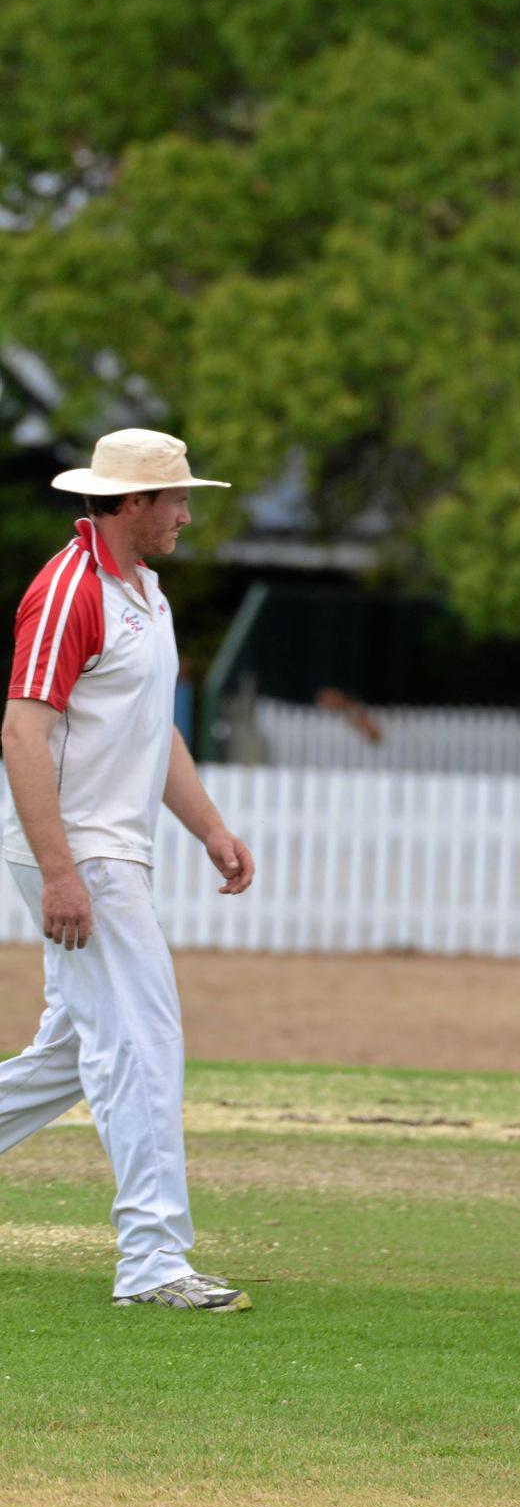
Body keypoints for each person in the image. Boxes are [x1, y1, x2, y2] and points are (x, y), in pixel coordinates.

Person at [0, 429, 257, 1312]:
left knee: (73, 1052)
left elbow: (155, 730)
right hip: (82, 853)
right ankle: (152, 1261)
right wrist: (61, 870)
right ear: (132, 504)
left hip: (106, 849)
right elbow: (19, 731)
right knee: (143, 1042)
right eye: (177, 499)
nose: (187, 514)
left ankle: (153, 1255)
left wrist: (210, 826)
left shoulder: (143, 590)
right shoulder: (69, 589)